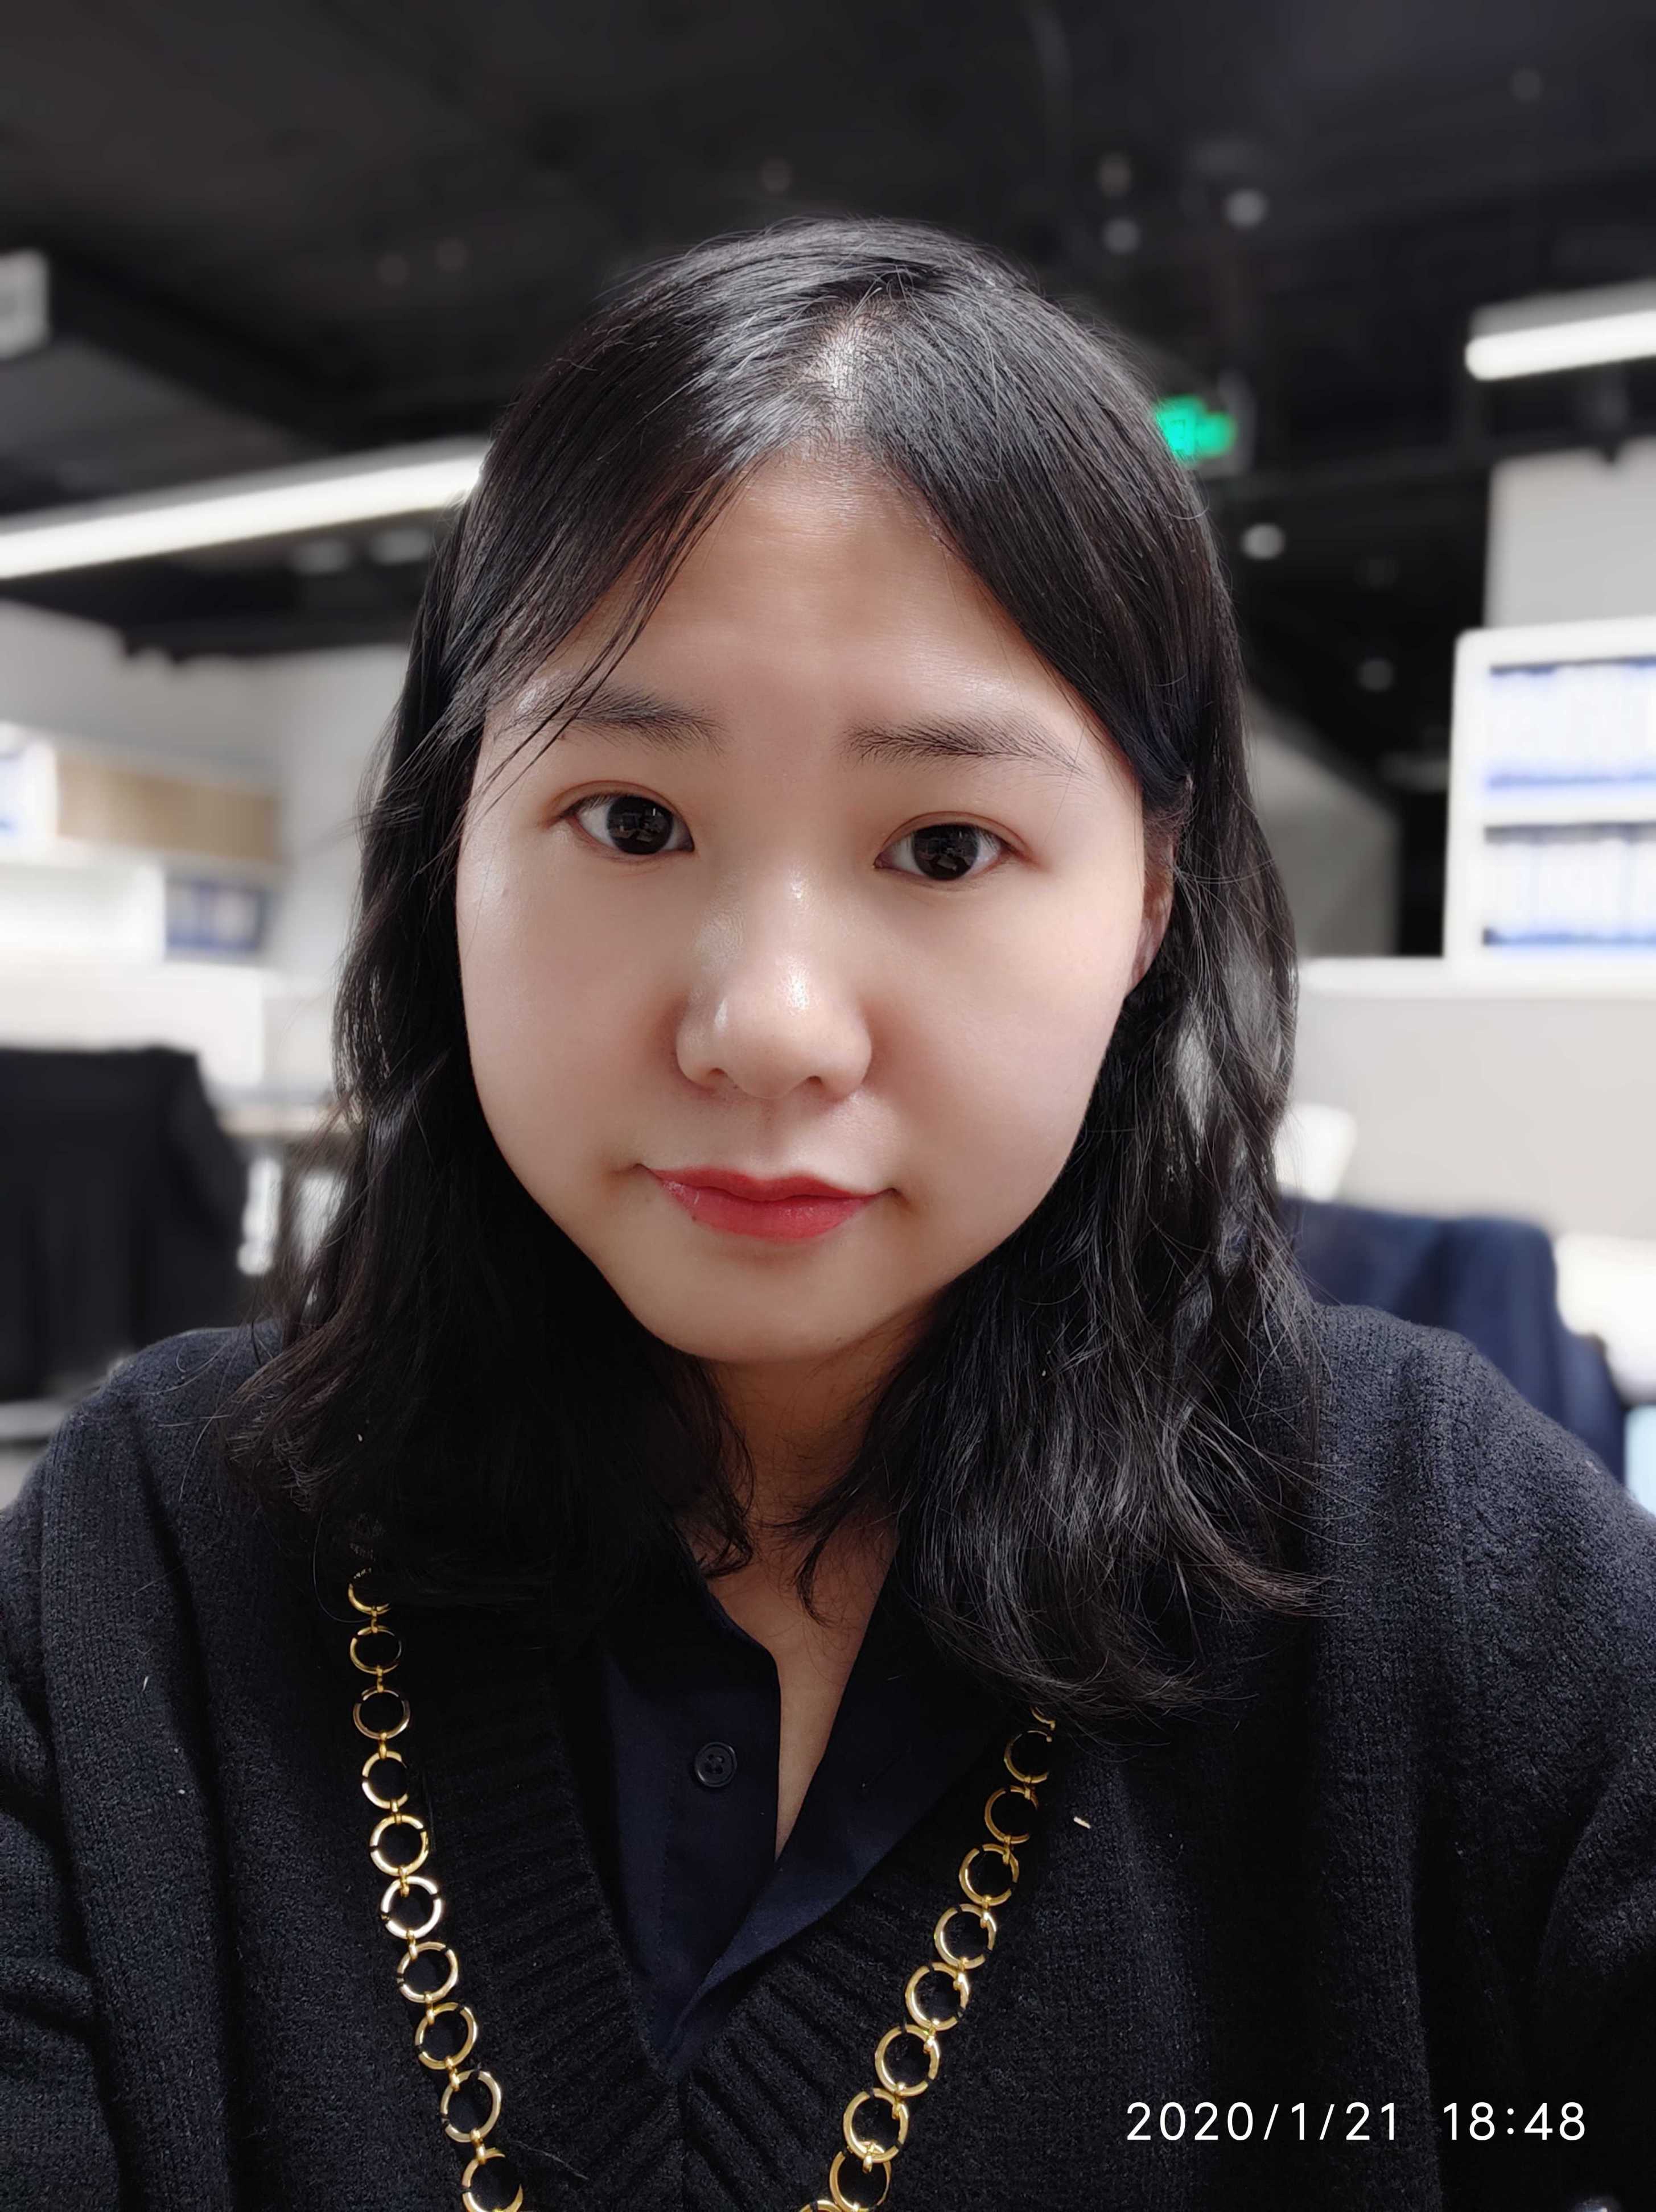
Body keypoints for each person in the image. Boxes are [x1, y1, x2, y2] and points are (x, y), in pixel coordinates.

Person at [1, 217, 1651, 2212]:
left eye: (945, 846)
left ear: (1147, 901)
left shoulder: (1422, 1556)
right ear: (451, 842)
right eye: (631, 820)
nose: (769, 1027)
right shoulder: (147, 1566)